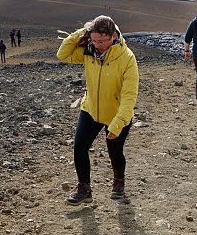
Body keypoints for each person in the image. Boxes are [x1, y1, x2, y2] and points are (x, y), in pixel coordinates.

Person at [57, 15, 139, 204]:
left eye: (101, 41)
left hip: (116, 114)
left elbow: (129, 97)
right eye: (93, 40)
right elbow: (63, 54)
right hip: (91, 109)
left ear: (113, 37)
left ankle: (119, 182)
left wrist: (117, 124)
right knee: (79, 147)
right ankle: (84, 188)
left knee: (115, 152)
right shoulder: (88, 52)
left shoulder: (127, 58)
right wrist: (84, 32)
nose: (97, 44)